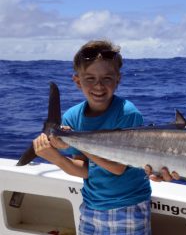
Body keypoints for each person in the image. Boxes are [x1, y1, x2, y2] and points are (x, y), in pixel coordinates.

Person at [32, 40, 152, 234]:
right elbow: (84, 170)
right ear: (77, 81)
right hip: (91, 206)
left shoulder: (127, 113)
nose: (98, 86)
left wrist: (75, 141)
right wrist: (55, 157)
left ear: (118, 79)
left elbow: (118, 167)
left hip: (128, 206)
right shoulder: (72, 116)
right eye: (90, 78)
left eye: (107, 78)